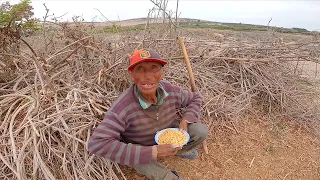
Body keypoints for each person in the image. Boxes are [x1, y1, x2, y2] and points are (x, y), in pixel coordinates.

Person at [88, 49, 208, 180]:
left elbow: (195, 98)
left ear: (162, 73)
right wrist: (153, 152)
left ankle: (181, 151)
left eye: (154, 68)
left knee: (199, 130)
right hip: (142, 147)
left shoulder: (170, 90)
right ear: (131, 75)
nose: (148, 76)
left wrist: (187, 118)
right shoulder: (123, 106)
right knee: (141, 162)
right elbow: (97, 143)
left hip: (168, 136)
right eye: (140, 69)